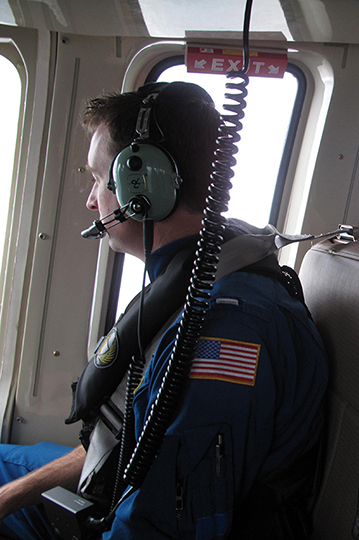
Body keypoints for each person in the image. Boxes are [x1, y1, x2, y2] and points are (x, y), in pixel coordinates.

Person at [0, 81, 328, 539]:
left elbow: (161, 526)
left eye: (99, 179)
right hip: (113, 484)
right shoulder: (189, 282)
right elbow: (121, 438)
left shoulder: (224, 331)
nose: (91, 201)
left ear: (143, 185)